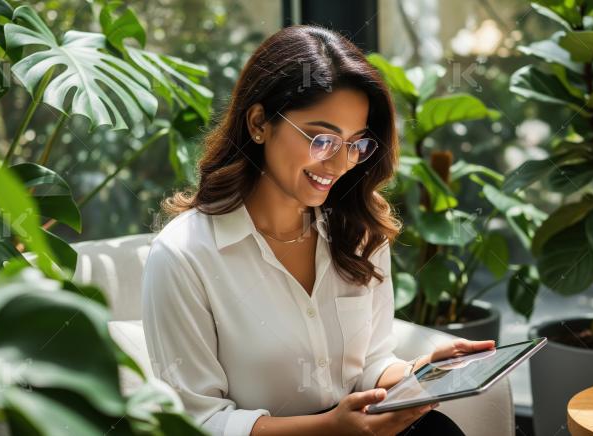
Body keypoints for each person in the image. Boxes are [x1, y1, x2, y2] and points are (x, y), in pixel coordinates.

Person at [141, 24, 495, 435]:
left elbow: (370, 365)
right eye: (321, 138)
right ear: (259, 123)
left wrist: (420, 371)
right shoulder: (184, 256)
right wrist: (329, 428)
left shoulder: (359, 229)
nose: (341, 163)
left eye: (356, 143)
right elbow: (197, 422)